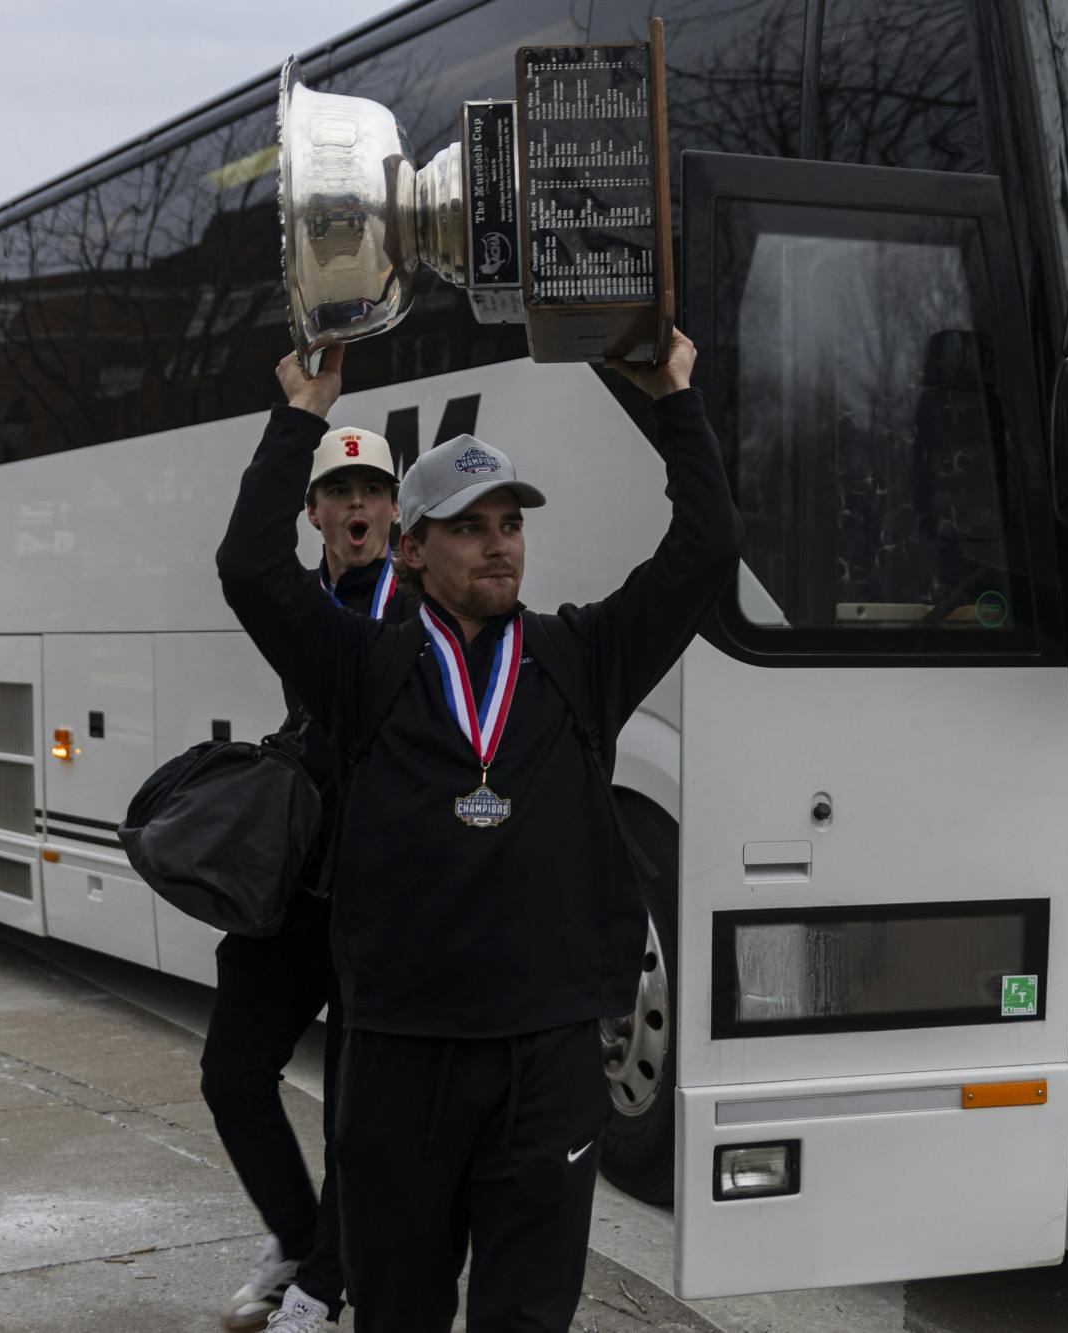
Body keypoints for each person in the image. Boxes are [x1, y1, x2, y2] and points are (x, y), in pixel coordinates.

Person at [217, 333, 741, 1333]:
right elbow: (248, 567)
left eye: (508, 523)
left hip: (545, 1067)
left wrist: (674, 395)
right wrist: (303, 413)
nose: (497, 542)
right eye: (465, 526)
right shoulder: (361, 669)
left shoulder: (579, 658)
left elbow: (705, 549)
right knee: (399, 1316)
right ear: (412, 548)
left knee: (527, 1321)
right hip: (399, 1065)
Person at [203, 423, 410, 1332]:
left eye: (371, 491)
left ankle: (325, 1287)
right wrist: (297, 417)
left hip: (379, 902)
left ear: (397, 512)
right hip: (293, 892)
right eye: (338, 492)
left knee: (353, 1115)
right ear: (314, 512)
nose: (355, 506)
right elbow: (244, 561)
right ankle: (295, 1240)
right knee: (231, 1069)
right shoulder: (300, 601)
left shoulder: (419, 606)